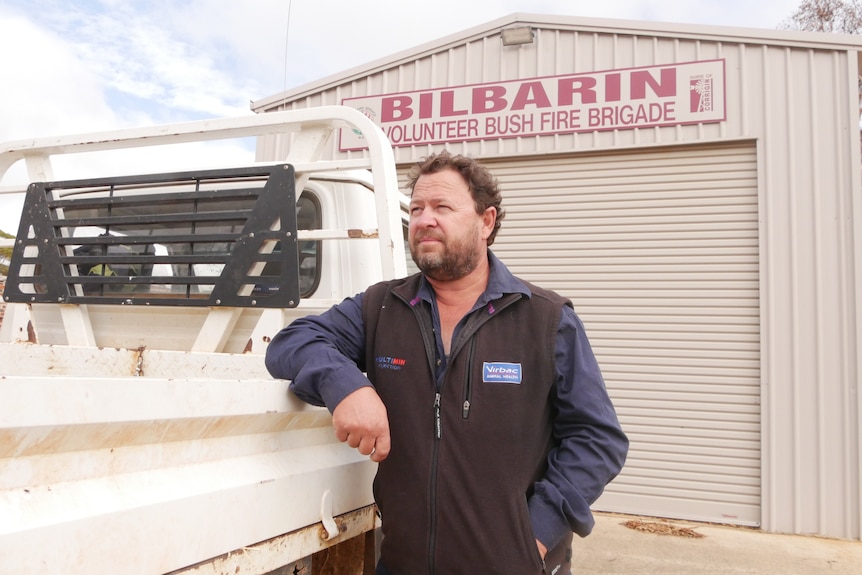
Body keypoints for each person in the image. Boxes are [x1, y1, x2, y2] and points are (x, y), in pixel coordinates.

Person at [265, 151, 628, 575]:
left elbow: (598, 439)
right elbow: (293, 341)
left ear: (486, 222)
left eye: (442, 207)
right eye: (417, 208)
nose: (423, 220)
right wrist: (347, 385)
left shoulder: (546, 319)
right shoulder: (383, 306)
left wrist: (535, 537)